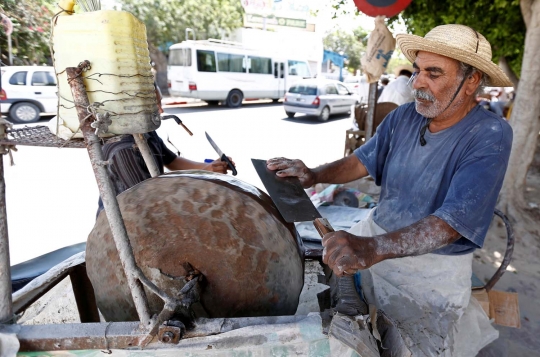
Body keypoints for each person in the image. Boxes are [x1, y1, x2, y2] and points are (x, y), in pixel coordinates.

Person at [267, 24, 513, 356]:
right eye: (417, 71)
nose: (417, 83)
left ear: (470, 81)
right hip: (375, 237)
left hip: (430, 271)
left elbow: (452, 224)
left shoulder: (490, 134)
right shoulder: (404, 117)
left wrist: (372, 248)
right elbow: (361, 161)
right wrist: (314, 174)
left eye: (433, 73)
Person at [97, 86, 235, 215]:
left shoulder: (146, 132)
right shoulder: (123, 149)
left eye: (160, 103)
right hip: (124, 220)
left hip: (149, 205)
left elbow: (172, 161)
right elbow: (146, 198)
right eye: (154, 105)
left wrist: (209, 168)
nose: (161, 110)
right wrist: (202, 178)